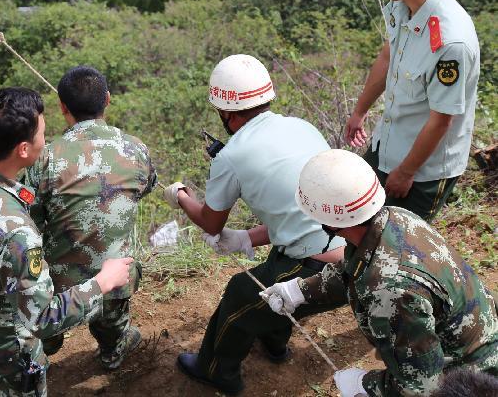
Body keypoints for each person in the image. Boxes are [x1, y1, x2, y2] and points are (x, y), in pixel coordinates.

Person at [0, 87, 134, 397]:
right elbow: (43, 318)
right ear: (23, 149)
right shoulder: (16, 234)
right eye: (42, 135)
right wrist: (102, 282)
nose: (45, 141)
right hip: (1, 348)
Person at [167, 54, 347, 395]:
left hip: (323, 272)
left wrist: (180, 196)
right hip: (353, 251)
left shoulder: (231, 156)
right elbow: (301, 214)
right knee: (275, 267)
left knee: (239, 295)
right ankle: (275, 343)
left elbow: (210, 222)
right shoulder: (302, 127)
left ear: (225, 111)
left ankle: (216, 370)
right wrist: (247, 238)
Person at [262, 149, 498, 397]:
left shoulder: (391, 290)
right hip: (475, 339)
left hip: (471, 379)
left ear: (329, 221)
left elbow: (420, 387)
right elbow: (358, 266)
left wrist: (367, 385)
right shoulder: (394, 218)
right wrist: (301, 290)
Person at [26, 66, 157, 369]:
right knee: (114, 325)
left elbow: (30, 220)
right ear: (108, 99)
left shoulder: (45, 157)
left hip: (57, 288)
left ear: (62, 108)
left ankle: (49, 338)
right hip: (116, 279)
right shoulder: (136, 148)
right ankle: (112, 349)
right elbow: (145, 187)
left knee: (43, 317)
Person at [345, 0, 480, 221]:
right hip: (387, 145)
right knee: (355, 223)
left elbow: (441, 119)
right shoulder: (402, 4)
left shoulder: (450, 43)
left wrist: (406, 172)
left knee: (399, 249)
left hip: (424, 170)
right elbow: (387, 55)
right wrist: (359, 112)